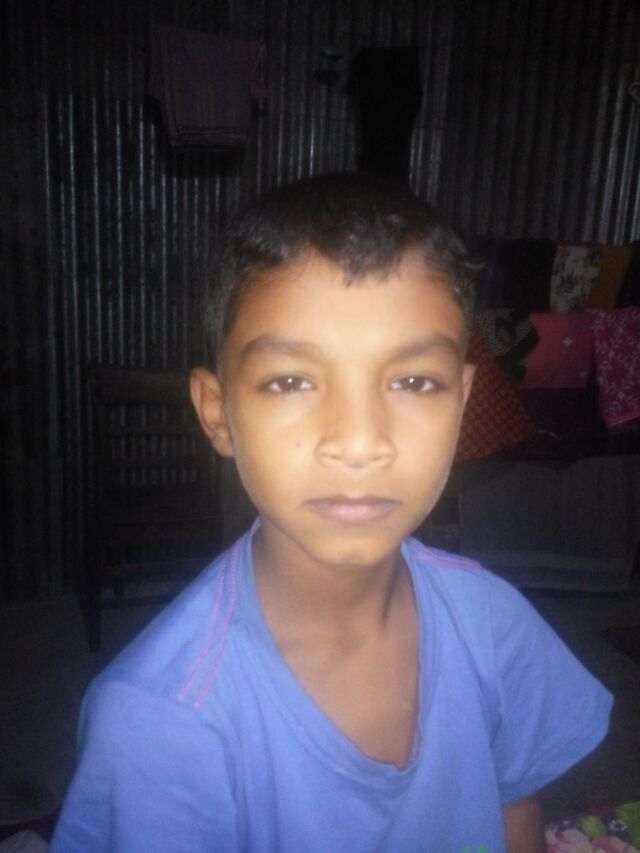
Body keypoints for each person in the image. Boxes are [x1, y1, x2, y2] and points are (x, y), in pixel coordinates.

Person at [51, 173, 612, 852]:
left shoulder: (495, 626)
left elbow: (513, 807)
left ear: (464, 404)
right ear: (217, 413)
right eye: (291, 380)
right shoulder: (158, 725)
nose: (359, 440)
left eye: (414, 381)